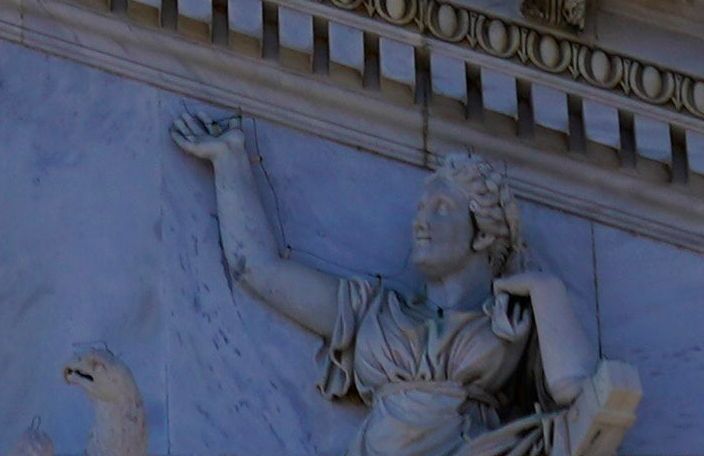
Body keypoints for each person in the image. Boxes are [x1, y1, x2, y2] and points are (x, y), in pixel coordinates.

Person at [165, 116, 643, 456]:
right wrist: (231, 164)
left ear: (482, 232)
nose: (421, 222)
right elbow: (260, 271)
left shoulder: (511, 319)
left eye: (440, 208)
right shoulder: (373, 310)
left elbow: (575, 393)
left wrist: (545, 290)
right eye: (419, 211)